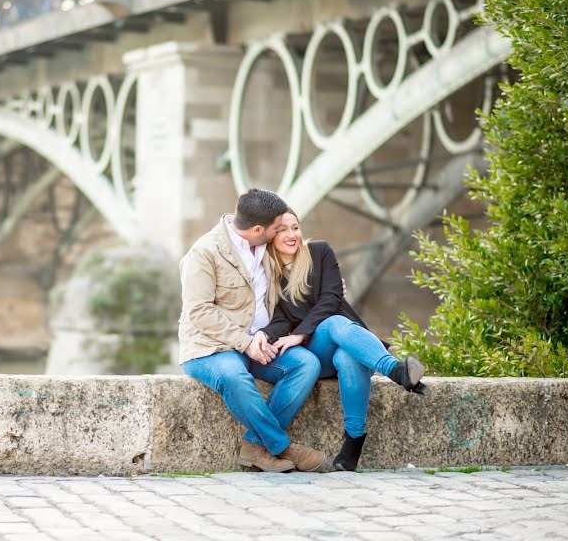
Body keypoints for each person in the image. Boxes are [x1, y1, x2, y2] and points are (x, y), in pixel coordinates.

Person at [259, 208, 429, 472]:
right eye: (283, 229)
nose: (292, 234)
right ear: (271, 235)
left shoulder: (319, 252)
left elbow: (331, 297)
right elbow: (280, 319)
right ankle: (395, 370)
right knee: (334, 323)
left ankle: (353, 441)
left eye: (295, 227)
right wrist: (292, 335)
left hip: (346, 343)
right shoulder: (267, 274)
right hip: (314, 351)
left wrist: (299, 330)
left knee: (348, 356)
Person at [179, 189, 326, 473]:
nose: (280, 233)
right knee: (234, 376)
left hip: (259, 344)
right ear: (258, 229)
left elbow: (293, 286)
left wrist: (327, 287)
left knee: (307, 364)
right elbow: (199, 312)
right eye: (276, 228)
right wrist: (244, 343)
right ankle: (281, 446)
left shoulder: (266, 248)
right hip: (211, 347)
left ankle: (253, 446)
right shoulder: (205, 252)